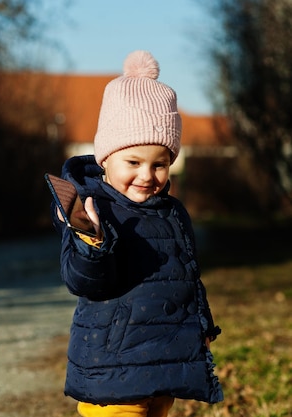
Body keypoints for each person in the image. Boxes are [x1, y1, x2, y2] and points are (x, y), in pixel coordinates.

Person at [50, 50, 224, 417]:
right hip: (112, 367)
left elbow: (188, 275)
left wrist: (202, 324)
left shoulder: (172, 211)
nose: (147, 175)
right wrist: (92, 243)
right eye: (133, 162)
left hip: (164, 361)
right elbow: (84, 282)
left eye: (159, 164)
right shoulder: (94, 209)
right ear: (105, 159)